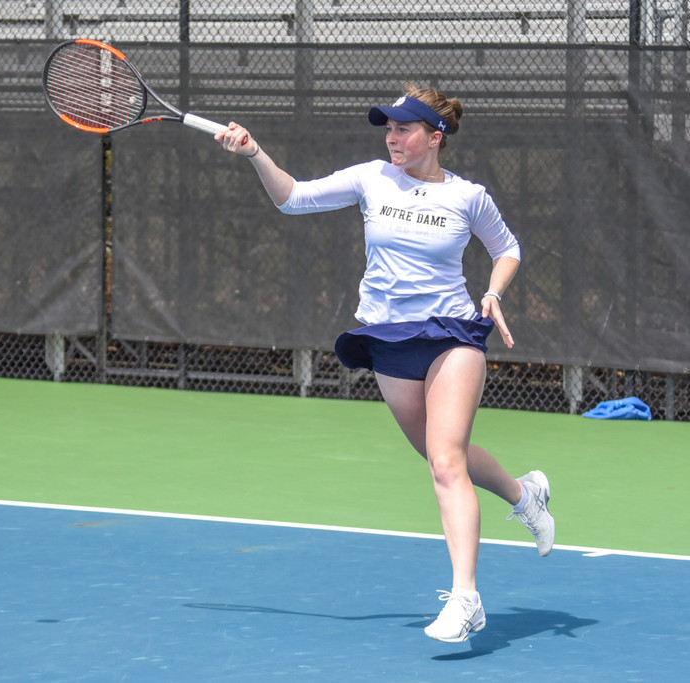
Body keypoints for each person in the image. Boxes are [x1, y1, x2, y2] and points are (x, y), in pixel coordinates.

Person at [214, 85, 555, 643]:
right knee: (440, 451)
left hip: (452, 335)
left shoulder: (468, 197)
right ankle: (524, 495)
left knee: (444, 462)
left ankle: (466, 597)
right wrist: (255, 152)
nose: (392, 138)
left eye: (404, 129)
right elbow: (293, 197)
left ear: (434, 137)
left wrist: (493, 293)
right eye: (389, 129)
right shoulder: (371, 178)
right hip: (388, 337)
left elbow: (507, 246)